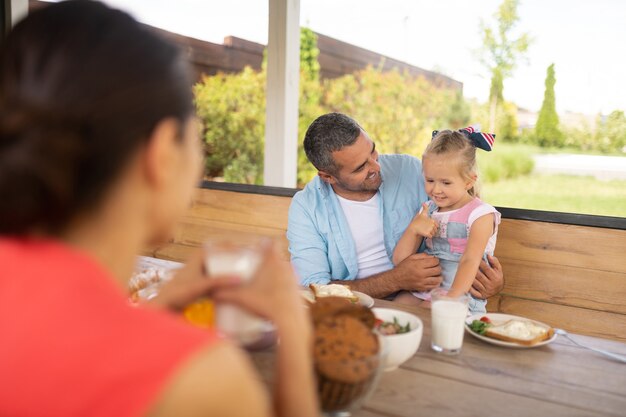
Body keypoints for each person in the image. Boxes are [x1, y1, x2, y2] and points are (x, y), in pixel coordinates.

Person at [0, 2, 317, 417]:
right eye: (197, 139)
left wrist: (159, 306)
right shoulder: (201, 381)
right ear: (163, 151)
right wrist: (293, 327)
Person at [287, 113, 504, 303]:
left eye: (373, 152)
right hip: (352, 308)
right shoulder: (307, 207)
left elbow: (465, 202)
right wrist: (395, 279)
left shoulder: (410, 170)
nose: (376, 166)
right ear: (328, 176)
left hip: (427, 293)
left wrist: (492, 282)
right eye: (361, 167)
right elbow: (313, 288)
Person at [392, 128, 501, 313]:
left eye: (446, 182)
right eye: (430, 180)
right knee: (396, 305)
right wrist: (413, 229)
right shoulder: (429, 210)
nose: (436, 190)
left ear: (469, 181)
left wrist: (451, 299)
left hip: (459, 293)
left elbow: (470, 260)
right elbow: (400, 260)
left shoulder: (480, 215)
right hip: (426, 289)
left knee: (424, 314)